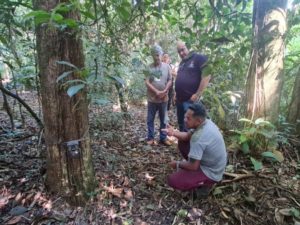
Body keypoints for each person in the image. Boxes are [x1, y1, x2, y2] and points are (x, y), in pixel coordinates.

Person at [162, 103, 227, 194]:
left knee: (172, 180)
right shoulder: (206, 122)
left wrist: (177, 164)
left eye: (188, 119)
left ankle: (205, 184)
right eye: (185, 117)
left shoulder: (198, 137)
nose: (185, 120)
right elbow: (186, 136)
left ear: (198, 121)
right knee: (182, 141)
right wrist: (173, 133)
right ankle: (192, 166)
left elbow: (193, 166)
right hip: (212, 163)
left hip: (211, 172)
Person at [175, 41, 210, 132]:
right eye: (179, 51)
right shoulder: (182, 63)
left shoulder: (199, 58)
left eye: (183, 50)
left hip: (190, 101)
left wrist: (197, 94)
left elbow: (207, 76)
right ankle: (182, 146)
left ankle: (191, 146)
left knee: (191, 128)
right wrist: (176, 94)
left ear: (189, 47)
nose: (181, 53)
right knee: (181, 125)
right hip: (180, 100)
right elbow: (179, 78)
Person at [145, 45, 172, 146]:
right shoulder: (149, 67)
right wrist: (156, 91)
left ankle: (163, 138)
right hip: (152, 99)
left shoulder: (167, 67)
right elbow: (147, 82)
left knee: (163, 120)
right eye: (154, 55)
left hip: (163, 99)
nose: (156, 57)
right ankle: (151, 138)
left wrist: (164, 90)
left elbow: (170, 79)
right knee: (150, 119)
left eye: (158, 55)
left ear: (161, 55)